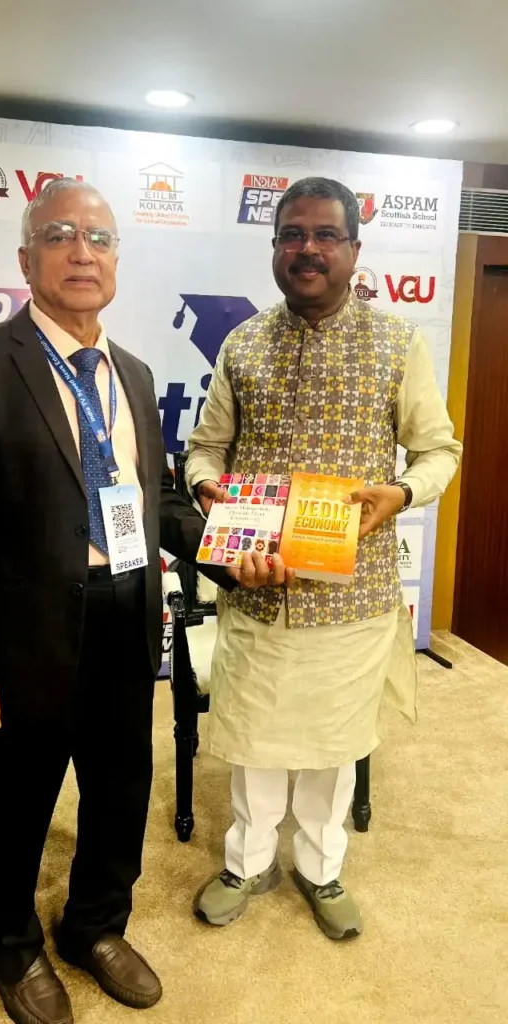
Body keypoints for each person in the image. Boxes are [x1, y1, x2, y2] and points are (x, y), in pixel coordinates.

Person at [0, 178, 281, 1024]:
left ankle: (95, 925)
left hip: (129, 619)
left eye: (99, 236)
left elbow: (153, 500)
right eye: (59, 234)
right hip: (20, 638)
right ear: (26, 258)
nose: (81, 250)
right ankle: (12, 946)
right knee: (13, 805)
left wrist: (235, 555)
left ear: (118, 259)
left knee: (121, 790)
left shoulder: (130, 370)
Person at [187, 177, 462, 940]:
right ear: (275, 246)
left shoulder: (397, 341)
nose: (306, 249)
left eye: (324, 236)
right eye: (291, 234)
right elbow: (205, 448)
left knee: (333, 747)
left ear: (352, 251)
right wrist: (209, 491)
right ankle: (247, 861)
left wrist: (400, 495)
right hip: (255, 582)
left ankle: (320, 867)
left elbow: (438, 449)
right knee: (254, 742)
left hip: (352, 593)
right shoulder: (242, 343)